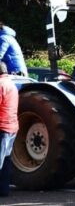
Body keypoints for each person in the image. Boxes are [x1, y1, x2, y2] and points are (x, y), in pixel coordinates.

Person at [0, 62, 18, 196]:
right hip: (11, 126)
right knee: (6, 159)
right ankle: (4, 190)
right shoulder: (11, 84)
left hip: (2, 126)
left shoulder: (0, 85)